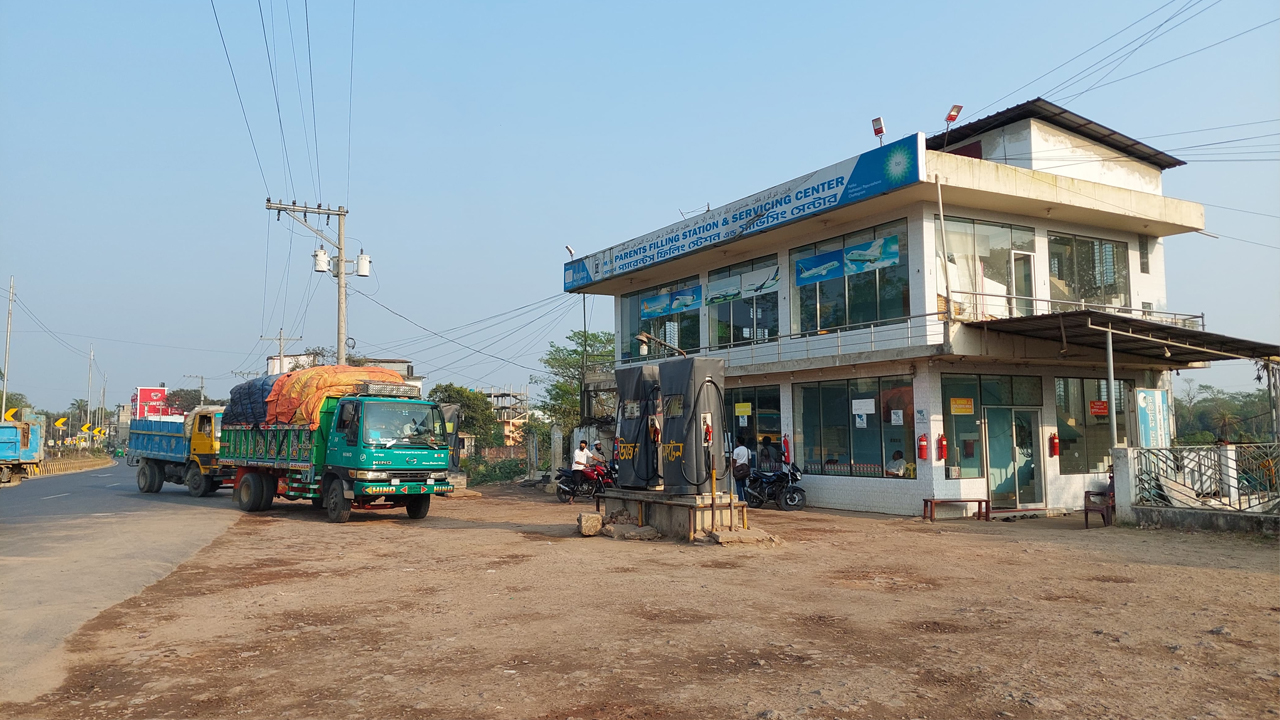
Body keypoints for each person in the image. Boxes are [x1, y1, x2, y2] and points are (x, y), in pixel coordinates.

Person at [570, 440, 593, 504]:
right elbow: (576, 461)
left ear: (585, 446)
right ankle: (571, 499)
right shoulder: (576, 451)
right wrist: (585, 464)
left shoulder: (586, 451)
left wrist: (600, 460)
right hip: (576, 469)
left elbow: (591, 456)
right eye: (581, 445)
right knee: (576, 483)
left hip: (583, 469)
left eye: (583, 445)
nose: (582, 446)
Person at [731, 436, 751, 502]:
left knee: (738, 485)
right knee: (744, 485)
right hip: (745, 470)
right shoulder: (748, 450)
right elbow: (749, 461)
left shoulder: (736, 450)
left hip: (738, 470)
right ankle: (747, 498)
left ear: (738, 442)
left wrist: (732, 469)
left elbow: (734, 461)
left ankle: (741, 499)